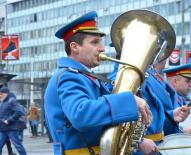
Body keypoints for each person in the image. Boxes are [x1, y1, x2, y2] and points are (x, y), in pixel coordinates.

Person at [44, 11, 156, 155]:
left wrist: (138, 140)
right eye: (94, 42)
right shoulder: (69, 76)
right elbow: (81, 114)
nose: (102, 48)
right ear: (74, 47)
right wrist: (128, 101)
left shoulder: (86, 76)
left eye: (101, 42)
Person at [163, 64, 191, 135]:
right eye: (187, 81)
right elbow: (158, 125)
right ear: (175, 81)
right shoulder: (164, 98)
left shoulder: (180, 99)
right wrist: (181, 130)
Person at [0, 87, 27, 155]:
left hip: (11, 129)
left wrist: (9, 120)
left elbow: (19, 112)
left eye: (1, 94)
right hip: (3, 129)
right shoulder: (2, 102)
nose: (0, 95)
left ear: (6, 94)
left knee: (18, 146)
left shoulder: (12, 101)